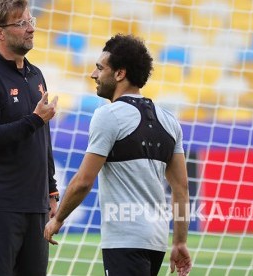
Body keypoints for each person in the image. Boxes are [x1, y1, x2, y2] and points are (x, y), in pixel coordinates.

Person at [44, 34, 192, 276]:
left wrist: (58, 219)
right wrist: (180, 242)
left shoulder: (108, 116)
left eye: (100, 68)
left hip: (125, 240)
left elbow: (83, 182)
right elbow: (181, 189)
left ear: (120, 74)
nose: (94, 74)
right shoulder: (169, 120)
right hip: (156, 242)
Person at [0, 0, 59, 275]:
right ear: (0, 32)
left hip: (36, 205)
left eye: (31, 21)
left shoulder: (35, 74)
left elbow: (44, 137)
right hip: (0, 207)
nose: (30, 29)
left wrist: (51, 190)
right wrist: (33, 120)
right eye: (21, 23)